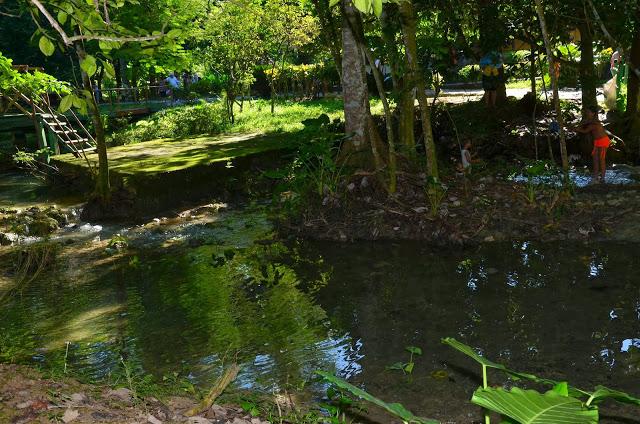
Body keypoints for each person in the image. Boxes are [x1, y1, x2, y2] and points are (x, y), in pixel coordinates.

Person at [574, 107, 611, 184]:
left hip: (603, 141)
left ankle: (603, 178)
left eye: (589, 112)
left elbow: (585, 130)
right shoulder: (588, 120)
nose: (587, 113)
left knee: (601, 159)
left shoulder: (595, 122)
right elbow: (582, 125)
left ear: (593, 113)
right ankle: (596, 176)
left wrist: (577, 129)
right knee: (595, 159)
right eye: (586, 111)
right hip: (597, 142)